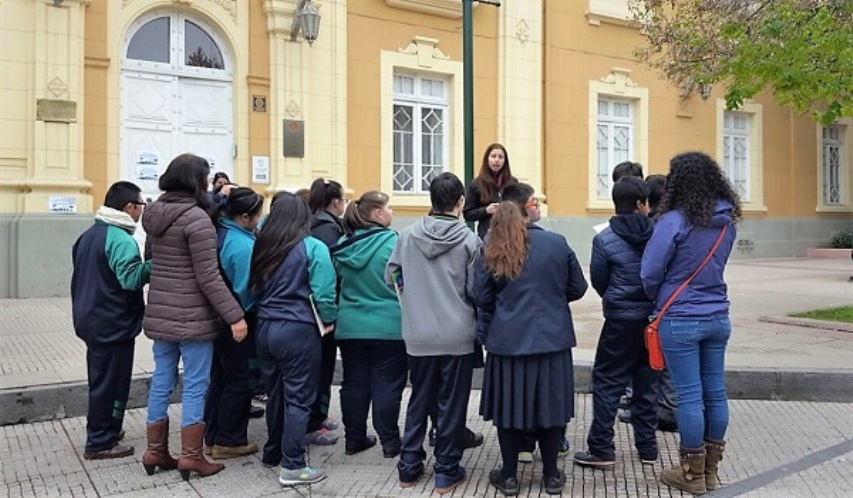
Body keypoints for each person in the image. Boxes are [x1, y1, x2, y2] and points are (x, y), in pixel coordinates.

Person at [141, 153, 248, 481]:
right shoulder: (197, 219)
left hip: (161, 310)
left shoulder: (153, 214)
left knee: (162, 378)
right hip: (192, 318)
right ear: (196, 182)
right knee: (196, 384)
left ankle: (154, 450)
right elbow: (209, 276)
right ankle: (191, 456)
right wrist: (235, 316)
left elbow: (153, 260)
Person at [476, 182, 588, 496]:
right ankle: (552, 475)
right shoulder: (557, 242)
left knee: (509, 408)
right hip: (552, 340)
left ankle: (509, 476)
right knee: (551, 407)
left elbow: (481, 295)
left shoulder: (493, 245)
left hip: (508, 341)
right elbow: (578, 288)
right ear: (527, 208)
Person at [641, 151, 739, 495]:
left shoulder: (673, 221)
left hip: (680, 316)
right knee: (715, 391)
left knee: (688, 394)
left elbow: (650, 270)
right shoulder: (727, 221)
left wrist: (660, 296)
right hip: (718, 315)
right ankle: (710, 471)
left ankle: (690, 474)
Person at [386, 172, 481, 494]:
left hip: (417, 332)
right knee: (451, 404)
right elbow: (474, 290)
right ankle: (446, 469)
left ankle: (409, 466)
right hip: (457, 333)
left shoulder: (408, 235)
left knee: (419, 399)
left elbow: (392, 274)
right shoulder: (470, 240)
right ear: (461, 202)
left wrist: (408, 296)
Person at [250, 192, 337, 486]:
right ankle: (294, 465)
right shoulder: (313, 247)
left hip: (265, 327)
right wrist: (328, 321)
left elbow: (252, 289)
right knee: (299, 398)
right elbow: (324, 293)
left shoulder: (261, 245)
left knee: (276, 393)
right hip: (298, 329)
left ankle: (272, 451)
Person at [573, 176, 659, 469]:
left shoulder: (604, 238)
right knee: (647, 383)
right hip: (652, 321)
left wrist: (617, 299)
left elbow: (599, 281)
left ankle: (602, 447)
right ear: (640, 204)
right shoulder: (659, 234)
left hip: (620, 321)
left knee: (608, 382)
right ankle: (647, 448)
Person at [71, 181, 151, 460]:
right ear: (129, 207)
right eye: (141, 205)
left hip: (91, 319)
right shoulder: (119, 238)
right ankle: (99, 441)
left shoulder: (89, 234)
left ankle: (108, 430)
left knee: (106, 380)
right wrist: (155, 264)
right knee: (109, 383)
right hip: (111, 323)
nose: (142, 211)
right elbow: (130, 279)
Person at [331, 191, 407, 459]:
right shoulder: (393, 244)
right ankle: (390, 441)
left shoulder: (343, 243)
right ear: (377, 213)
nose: (392, 213)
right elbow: (402, 285)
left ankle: (354, 439)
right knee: (387, 384)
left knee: (354, 383)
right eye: (389, 208)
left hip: (350, 325)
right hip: (389, 326)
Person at [202, 188, 265, 460]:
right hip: (236, 319)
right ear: (245, 216)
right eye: (258, 215)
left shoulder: (219, 232)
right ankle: (230, 439)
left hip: (215, 318)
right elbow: (246, 290)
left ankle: (212, 436)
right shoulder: (241, 245)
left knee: (220, 378)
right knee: (239, 379)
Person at [305, 177, 348, 445]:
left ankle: (317, 416)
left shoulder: (313, 224)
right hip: (322, 310)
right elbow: (332, 274)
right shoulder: (329, 231)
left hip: (308, 308)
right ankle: (313, 420)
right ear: (335, 202)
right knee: (320, 368)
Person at [463, 143, 517, 239]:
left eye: (500, 157)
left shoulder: (513, 182)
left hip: (509, 234)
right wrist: (486, 210)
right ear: (487, 159)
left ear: (505, 161)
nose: (496, 160)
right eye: (493, 156)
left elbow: (520, 206)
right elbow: (467, 213)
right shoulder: (476, 184)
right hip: (487, 235)